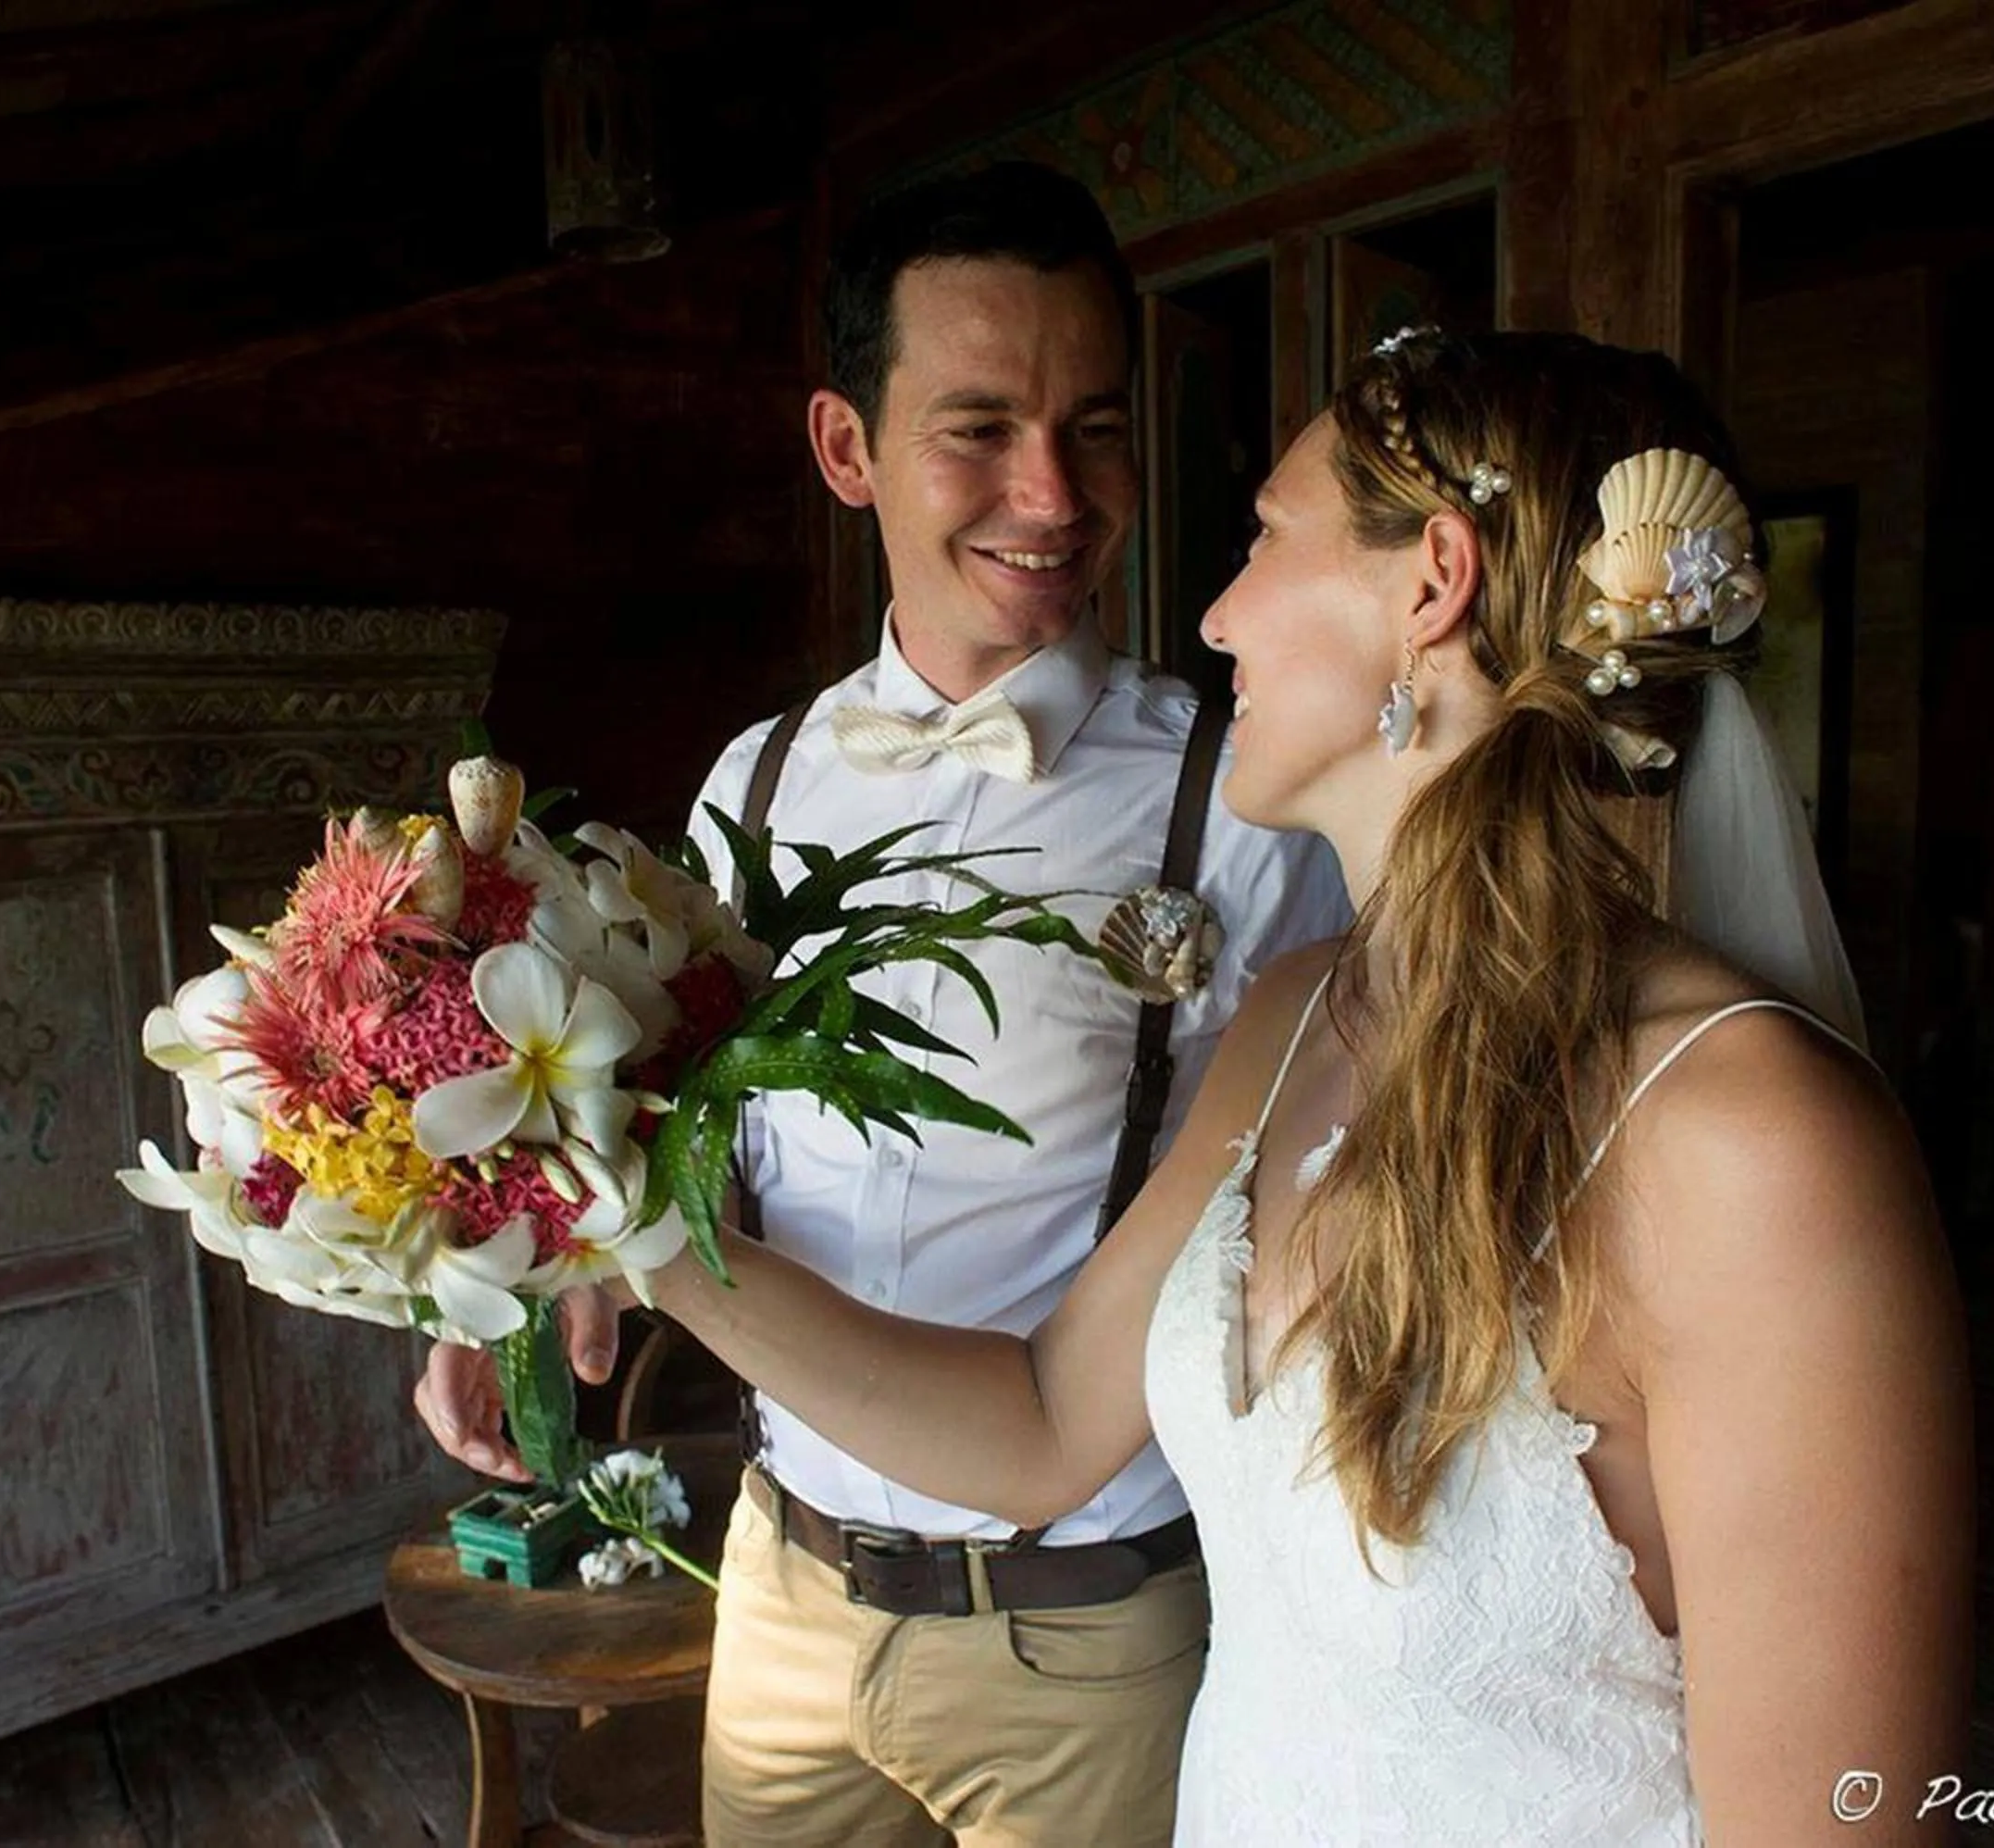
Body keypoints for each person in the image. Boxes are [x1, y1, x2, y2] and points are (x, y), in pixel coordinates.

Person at [620, 328, 1975, 1844]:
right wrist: (625, 1226)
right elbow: (1044, 1426)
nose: (1213, 615)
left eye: (1264, 538)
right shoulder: (1289, 1016)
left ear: (1429, 583)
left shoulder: (1755, 1147)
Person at [414, 161, 1349, 1847]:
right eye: (978, 427)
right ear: (847, 450)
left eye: (1097, 427)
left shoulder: (1252, 794)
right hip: (784, 1596)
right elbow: (671, 1119)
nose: (1051, 494)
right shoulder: (749, 788)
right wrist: (530, 1296)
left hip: (1094, 1625)